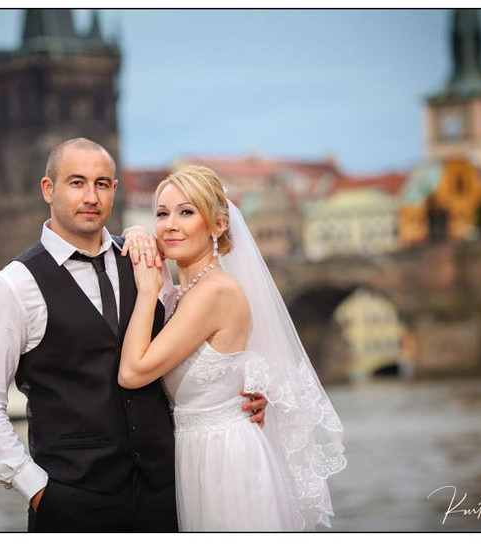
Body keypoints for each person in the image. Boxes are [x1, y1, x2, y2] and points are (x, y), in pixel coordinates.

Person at [0, 138, 267, 532]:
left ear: (114, 191)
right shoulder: (13, 287)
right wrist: (36, 489)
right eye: (77, 183)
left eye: (102, 183)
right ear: (48, 189)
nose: (91, 196)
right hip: (72, 504)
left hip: (168, 498)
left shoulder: (148, 262)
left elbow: (205, 347)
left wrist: (245, 394)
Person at [118, 165, 347, 531]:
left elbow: (132, 373)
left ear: (218, 224)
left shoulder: (215, 292)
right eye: (161, 214)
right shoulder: (182, 295)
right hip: (197, 456)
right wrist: (134, 233)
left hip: (225, 460)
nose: (170, 224)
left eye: (187, 212)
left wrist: (147, 291)